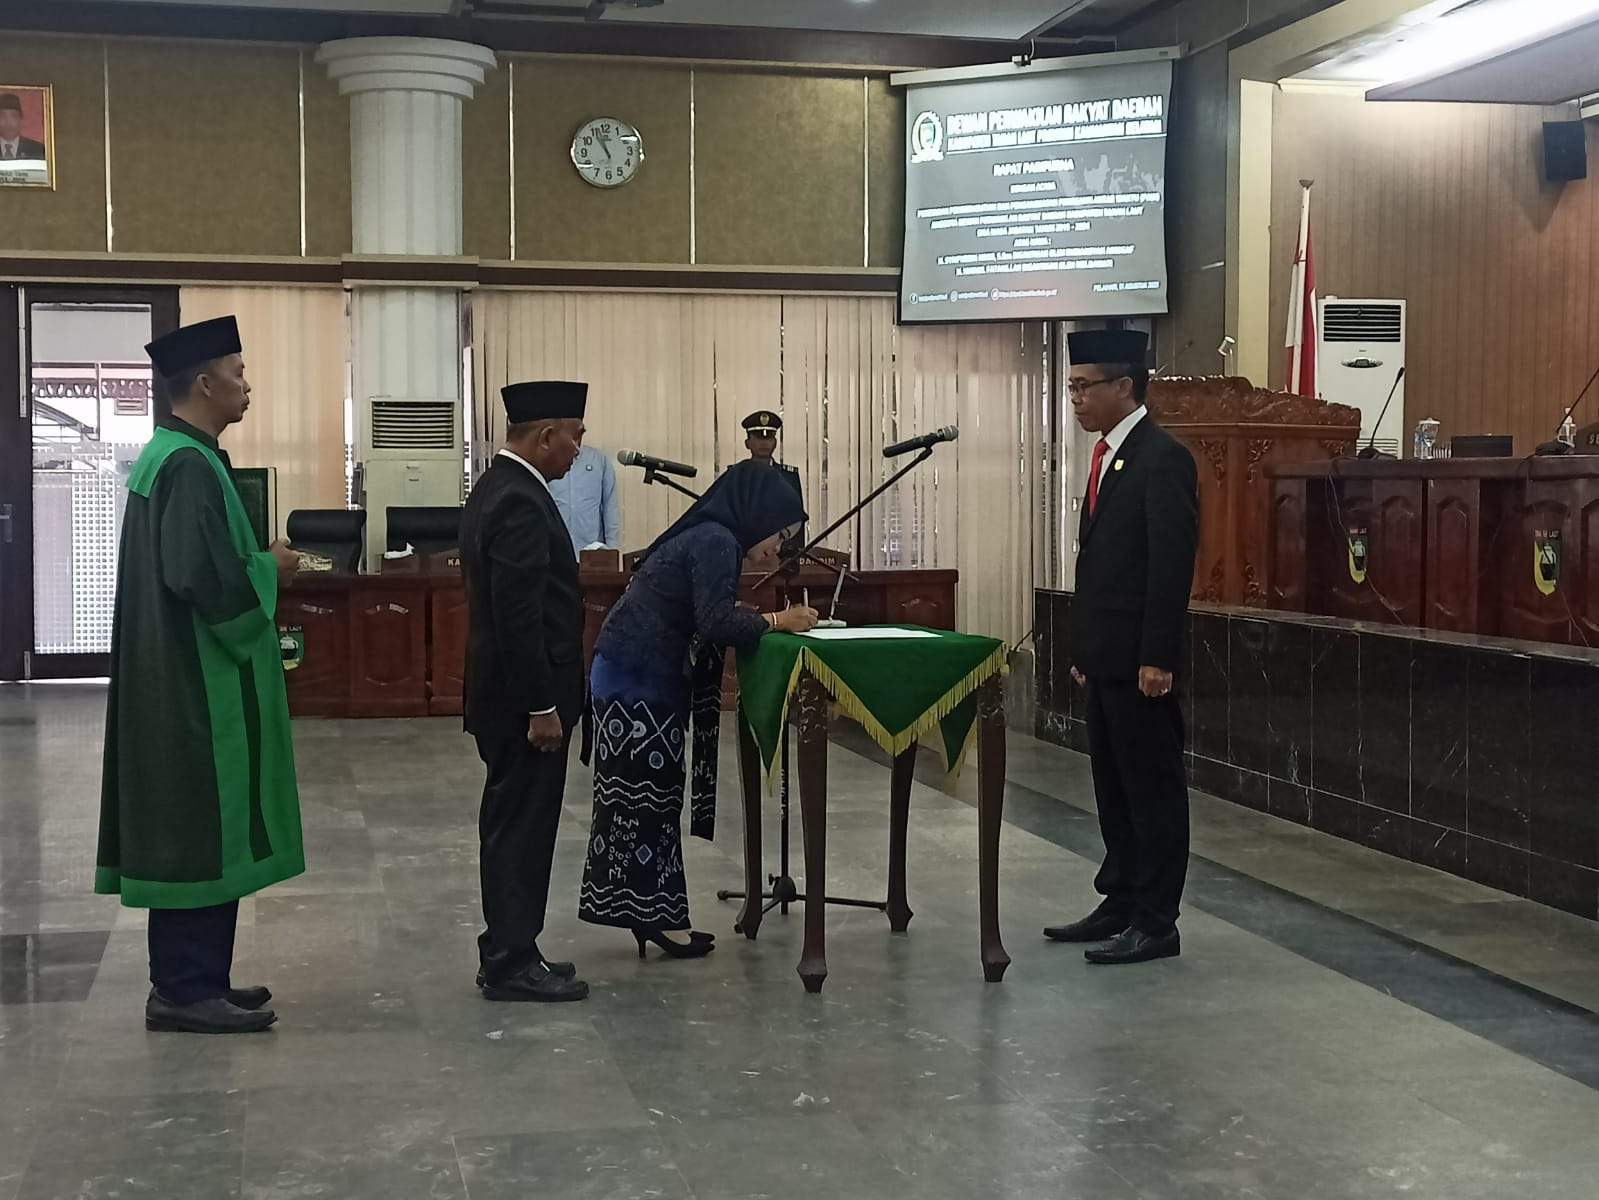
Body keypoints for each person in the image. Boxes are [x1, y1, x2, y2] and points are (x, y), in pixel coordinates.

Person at [97, 315, 304, 1035]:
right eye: (239, 371)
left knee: (197, 825)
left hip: (180, 672)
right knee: (197, 826)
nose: (248, 384)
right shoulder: (185, 463)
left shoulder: (181, 454)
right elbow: (200, 576)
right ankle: (186, 990)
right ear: (206, 382)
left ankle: (197, 978)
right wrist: (270, 568)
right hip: (190, 683)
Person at [578, 461, 817, 957]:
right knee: (646, 799)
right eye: (779, 533)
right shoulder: (716, 541)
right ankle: (657, 919)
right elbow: (713, 621)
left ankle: (658, 915)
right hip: (637, 678)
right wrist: (778, 619)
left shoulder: (712, 534)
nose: (777, 547)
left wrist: (754, 618)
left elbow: (704, 610)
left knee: (652, 798)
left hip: (632, 671)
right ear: (757, 515)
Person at [1045, 328, 1198, 966]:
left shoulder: (1162, 458)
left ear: (1123, 386)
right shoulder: (1108, 456)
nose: (1074, 399)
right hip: (1106, 657)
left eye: (1084, 387)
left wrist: (1157, 656)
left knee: (1151, 789)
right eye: (1072, 387)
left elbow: (1168, 566)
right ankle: (1122, 898)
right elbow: (1101, 566)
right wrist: (1084, 646)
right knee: (1112, 785)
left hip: (1142, 663)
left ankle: (1157, 920)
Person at [461, 380, 590, 1003]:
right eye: (575, 437)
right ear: (545, 436)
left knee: (514, 823)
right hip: (523, 705)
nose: (578, 450)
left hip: (507, 697)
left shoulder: (498, 486)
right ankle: (512, 961)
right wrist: (542, 705)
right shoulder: (518, 499)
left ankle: (512, 949)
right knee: (521, 828)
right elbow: (518, 615)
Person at [548, 436, 621, 554]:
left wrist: (613, 552)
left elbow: (610, 510)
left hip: (592, 554)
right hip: (555, 552)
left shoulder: (599, 460)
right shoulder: (549, 461)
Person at [741, 410, 803, 504]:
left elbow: (796, 514)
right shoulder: (737, 476)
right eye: (758, 438)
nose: (764, 443)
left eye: (768, 438)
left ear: (775, 443)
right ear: (747, 443)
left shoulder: (789, 477)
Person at [0, 94, 46, 162]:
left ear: (21, 119)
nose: (8, 122)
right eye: (3, 116)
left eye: (14, 116)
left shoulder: (38, 149)